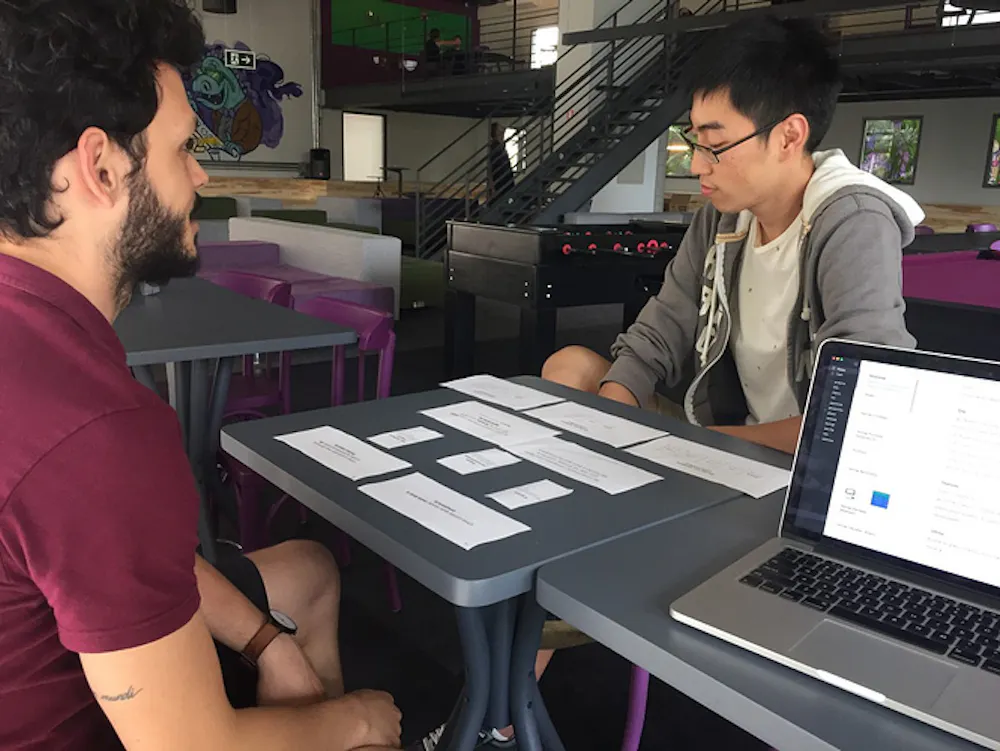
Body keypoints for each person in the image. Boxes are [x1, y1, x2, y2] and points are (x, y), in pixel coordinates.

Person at [0, 2, 402, 749]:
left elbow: (120, 547)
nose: (200, 172)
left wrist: (266, 642)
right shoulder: (98, 432)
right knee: (367, 725)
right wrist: (357, 719)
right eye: (183, 146)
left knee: (309, 569)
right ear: (100, 167)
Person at [543, 16, 922, 456]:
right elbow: (662, 326)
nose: (697, 165)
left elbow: (862, 406)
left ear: (788, 136)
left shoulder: (851, 222)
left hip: (805, 458)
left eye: (715, 146)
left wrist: (696, 445)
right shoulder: (722, 219)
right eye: (694, 141)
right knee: (569, 367)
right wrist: (614, 414)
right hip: (724, 438)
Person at [487, 123, 515, 201]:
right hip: (500, 181)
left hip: (505, 179)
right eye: (499, 131)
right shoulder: (495, 147)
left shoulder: (501, 146)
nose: (502, 132)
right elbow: (491, 167)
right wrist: (492, 186)